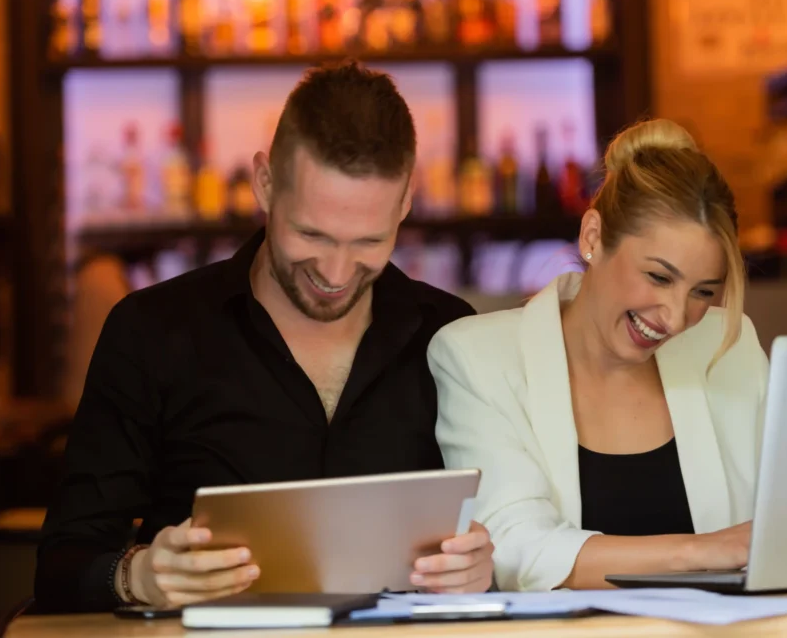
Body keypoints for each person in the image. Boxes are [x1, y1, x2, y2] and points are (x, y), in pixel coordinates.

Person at [35, 61, 494, 613]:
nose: (337, 271)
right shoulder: (153, 331)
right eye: (310, 233)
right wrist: (140, 576)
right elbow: (63, 564)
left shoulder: (452, 335)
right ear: (264, 183)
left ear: (405, 205)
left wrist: (479, 569)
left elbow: (500, 532)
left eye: (369, 241)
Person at [427, 119, 768, 591]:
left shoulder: (728, 347)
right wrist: (703, 550)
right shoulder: (476, 356)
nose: (674, 317)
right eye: (659, 277)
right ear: (592, 237)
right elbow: (514, 546)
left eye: (703, 291)